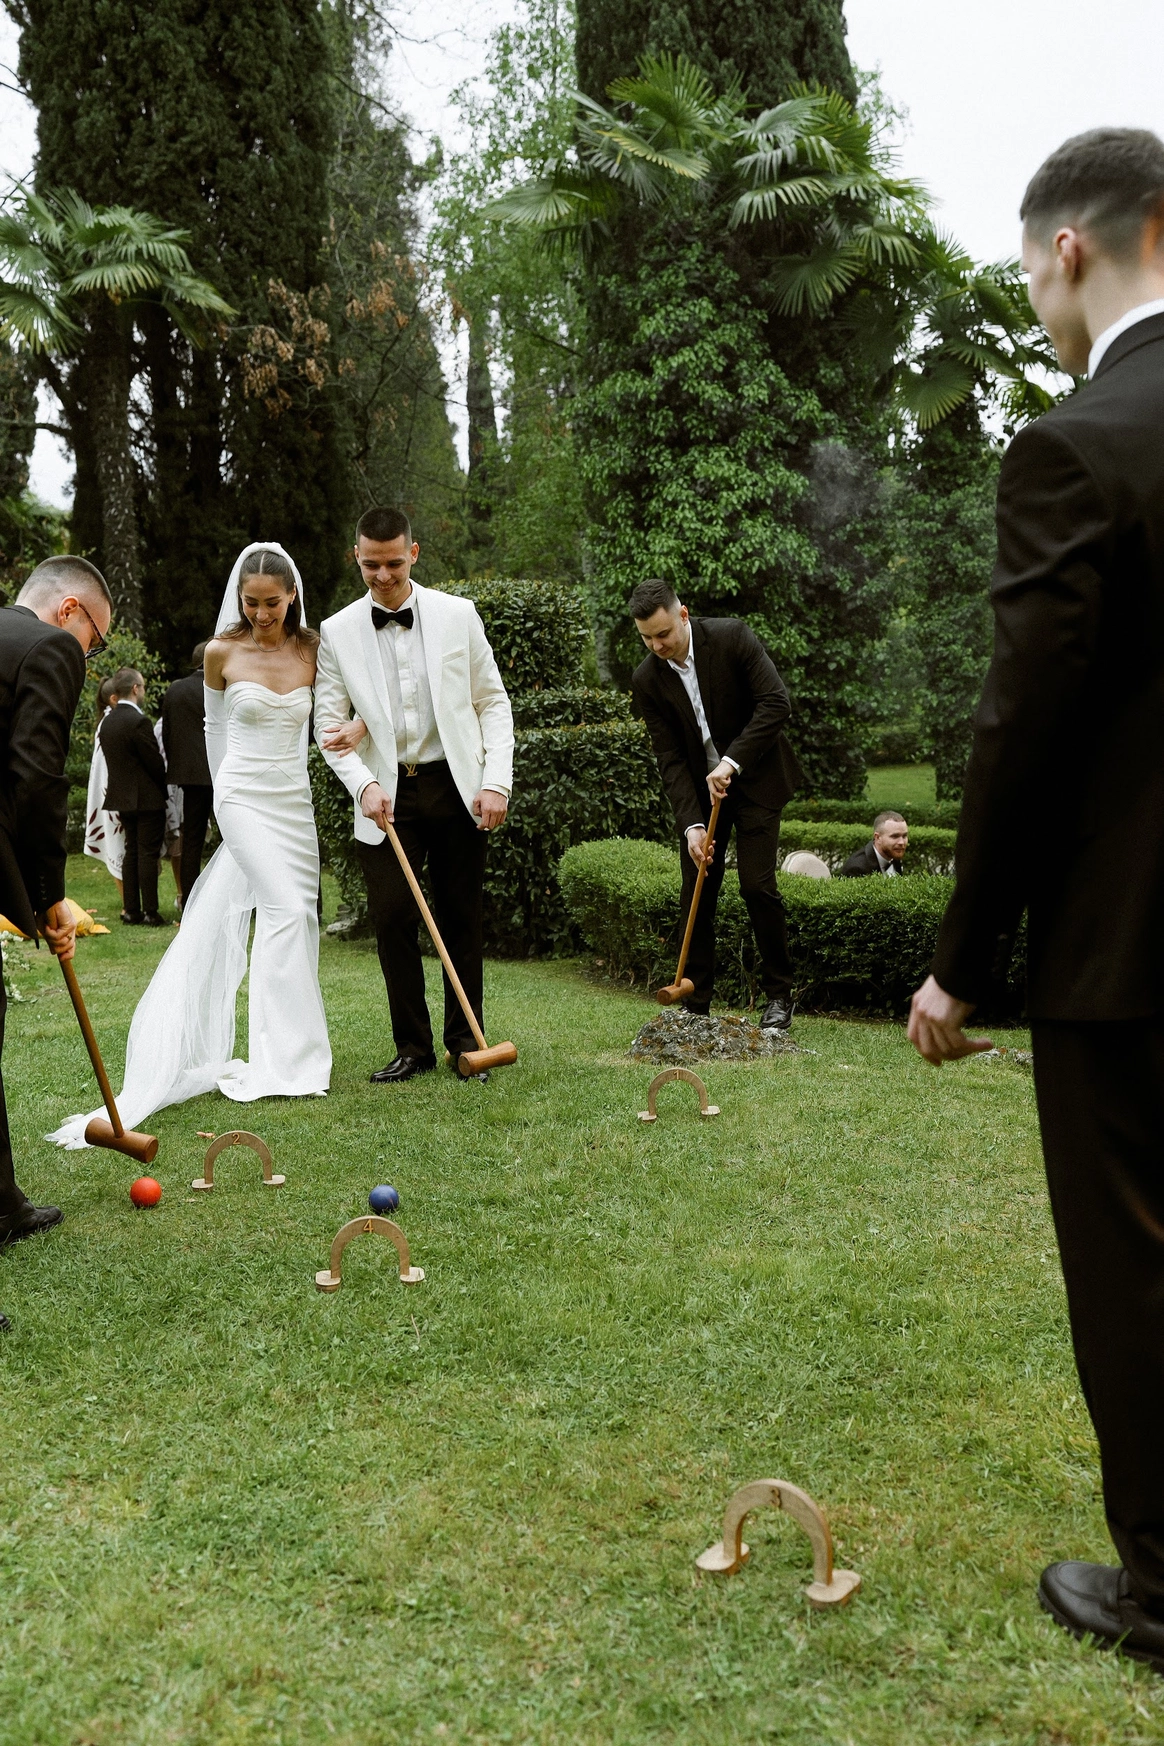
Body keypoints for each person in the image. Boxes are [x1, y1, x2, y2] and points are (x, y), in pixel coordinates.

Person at [907, 128, 1164, 1670]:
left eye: (1027, 275)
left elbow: (1026, 720)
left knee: (1138, 1269)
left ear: (1070, 249)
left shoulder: (1079, 444)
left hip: (1132, 954)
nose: (1037, 306)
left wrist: (960, 962)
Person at [48, 544, 362, 1149]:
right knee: (282, 908)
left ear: (292, 597)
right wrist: (225, 798)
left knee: (301, 916)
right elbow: (215, 730)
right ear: (239, 600)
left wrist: (362, 727)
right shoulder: (222, 652)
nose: (261, 614)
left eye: (272, 603)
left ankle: (298, 1058)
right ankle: (275, 1062)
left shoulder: (313, 650)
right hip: (242, 796)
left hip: (293, 801)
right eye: (251, 603)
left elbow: (335, 716)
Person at [315, 506, 514, 1084]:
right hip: (385, 794)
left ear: (414, 554)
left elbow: (492, 702)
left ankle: (464, 1043)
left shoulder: (458, 615)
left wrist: (495, 781)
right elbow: (328, 727)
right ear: (356, 557)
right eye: (371, 565)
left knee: (460, 916)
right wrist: (365, 783)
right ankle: (412, 1047)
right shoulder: (337, 631)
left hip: (454, 786)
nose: (382, 576)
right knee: (394, 918)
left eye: (394, 564)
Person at [0, 556, 111, 1284]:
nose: (87, 655)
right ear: (70, 610)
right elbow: (36, 778)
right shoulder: (48, 648)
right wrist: (47, 897)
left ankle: (2, 1205)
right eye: (95, 641)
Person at [629, 579, 803, 1031]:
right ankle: (695, 1000)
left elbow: (776, 703)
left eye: (663, 633)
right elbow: (669, 758)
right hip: (701, 795)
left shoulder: (731, 637)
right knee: (697, 888)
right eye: (647, 638)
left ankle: (779, 995)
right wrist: (691, 825)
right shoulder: (647, 679)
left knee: (756, 886)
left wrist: (731, 761)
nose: (657, 646)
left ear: (683, 615)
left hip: (756, 778)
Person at [99, 666, 168, 926]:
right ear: (136, 689)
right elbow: (154, 761)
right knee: (147, 853)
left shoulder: (108, 722)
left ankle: (131, 909)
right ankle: (150, 911)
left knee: (131, 852)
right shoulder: (139, 721)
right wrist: (163, 786)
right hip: (146, 796)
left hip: (122, 796)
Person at [162, 641, 213, 906]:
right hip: (222, 771)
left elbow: (168, 733)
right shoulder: (221, 687)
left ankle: (190, 901)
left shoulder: (176, 689)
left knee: (191, 840)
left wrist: (177, 766)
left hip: (191, 776)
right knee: (234, 839)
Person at [83, 674, 126, 902]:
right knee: (116, 843)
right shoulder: (109, 723)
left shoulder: (107, 722)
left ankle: (128, 899)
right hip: (111, 792)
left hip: (113, 791)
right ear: (113, 698)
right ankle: (126, 899)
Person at [837, 811, 908, 877]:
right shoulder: (856, 869)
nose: (901, 842)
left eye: (904, 836)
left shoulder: (894, 856)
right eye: (895, 836)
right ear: (877, 837)